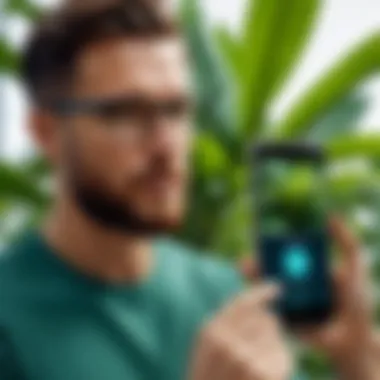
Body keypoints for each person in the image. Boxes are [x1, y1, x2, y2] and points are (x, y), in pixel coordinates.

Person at [0, 0, 379, 379]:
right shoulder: (10, 319)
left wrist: (358, 363)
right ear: (45, 132)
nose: (166, 146)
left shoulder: (224, 293)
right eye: (127, 113)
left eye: (177, 110)